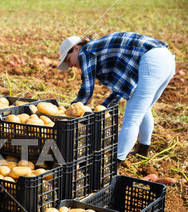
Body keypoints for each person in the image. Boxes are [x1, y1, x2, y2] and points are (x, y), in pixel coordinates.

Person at [57, 32, 175, 169]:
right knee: (144, 108)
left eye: (68, 60)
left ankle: (114, 165)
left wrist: (70, 111)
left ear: (76, 48)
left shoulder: (85, 52)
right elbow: (121, 87)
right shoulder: (98, 49)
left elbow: (87, 89)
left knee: (132, 117)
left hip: (152, 59)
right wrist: (104, 106)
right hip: (165, 57)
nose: (70, 65)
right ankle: (143, 150)